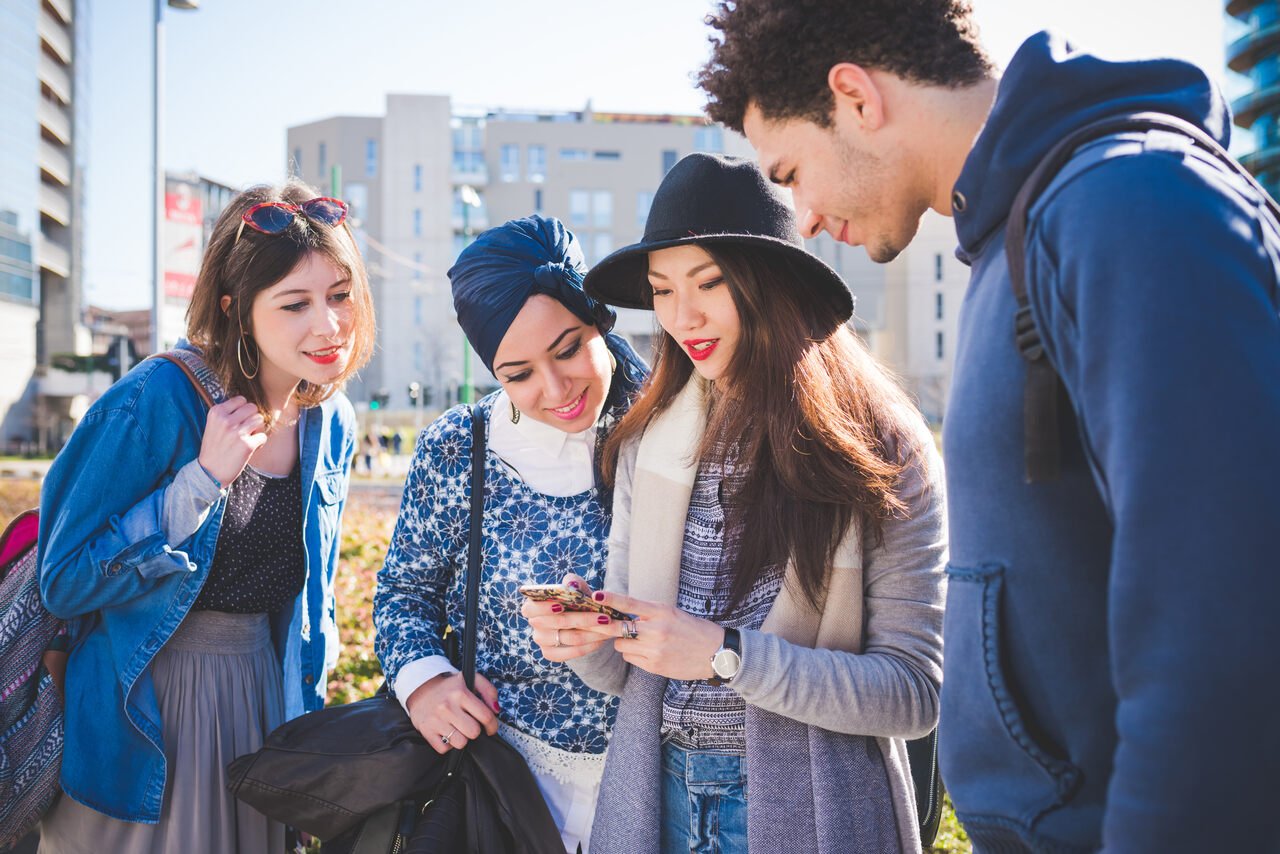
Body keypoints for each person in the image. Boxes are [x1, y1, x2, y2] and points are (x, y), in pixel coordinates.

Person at [695, 2, 1280, 851]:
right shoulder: (1015, 237)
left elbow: (1222, 622)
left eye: (790, 173)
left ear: (855, 97)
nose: (807, 217)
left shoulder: (1133, 205)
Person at [523, 153, 946, 854]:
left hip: (809, 808)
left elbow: (911, 695)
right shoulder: (649, 436)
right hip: (657, 799)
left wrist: (726, 656)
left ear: (771, 281)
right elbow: (633, 670)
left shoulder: (882, 444)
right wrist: (586, 640)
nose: (681, 316)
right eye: (661, 290)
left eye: (708, 283)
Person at [36, 182, 374, 852]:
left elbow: (317, 602)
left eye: (340, 295)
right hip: (148, 710)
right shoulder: (156, 398)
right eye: (295, 303)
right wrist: (199, 482)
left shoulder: (331, 421)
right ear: (237, 310)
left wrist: (308, 730)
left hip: (262, 699)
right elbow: (65, 577)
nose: (328, 324)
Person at [373, 215, 648, 854]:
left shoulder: (665, 433)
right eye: (518, 374)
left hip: (649, 787)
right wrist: (426, 683)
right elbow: (402, 593)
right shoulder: (459, 447)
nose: (556, 390)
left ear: (601, 321)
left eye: (569, 348)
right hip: (496, 786)